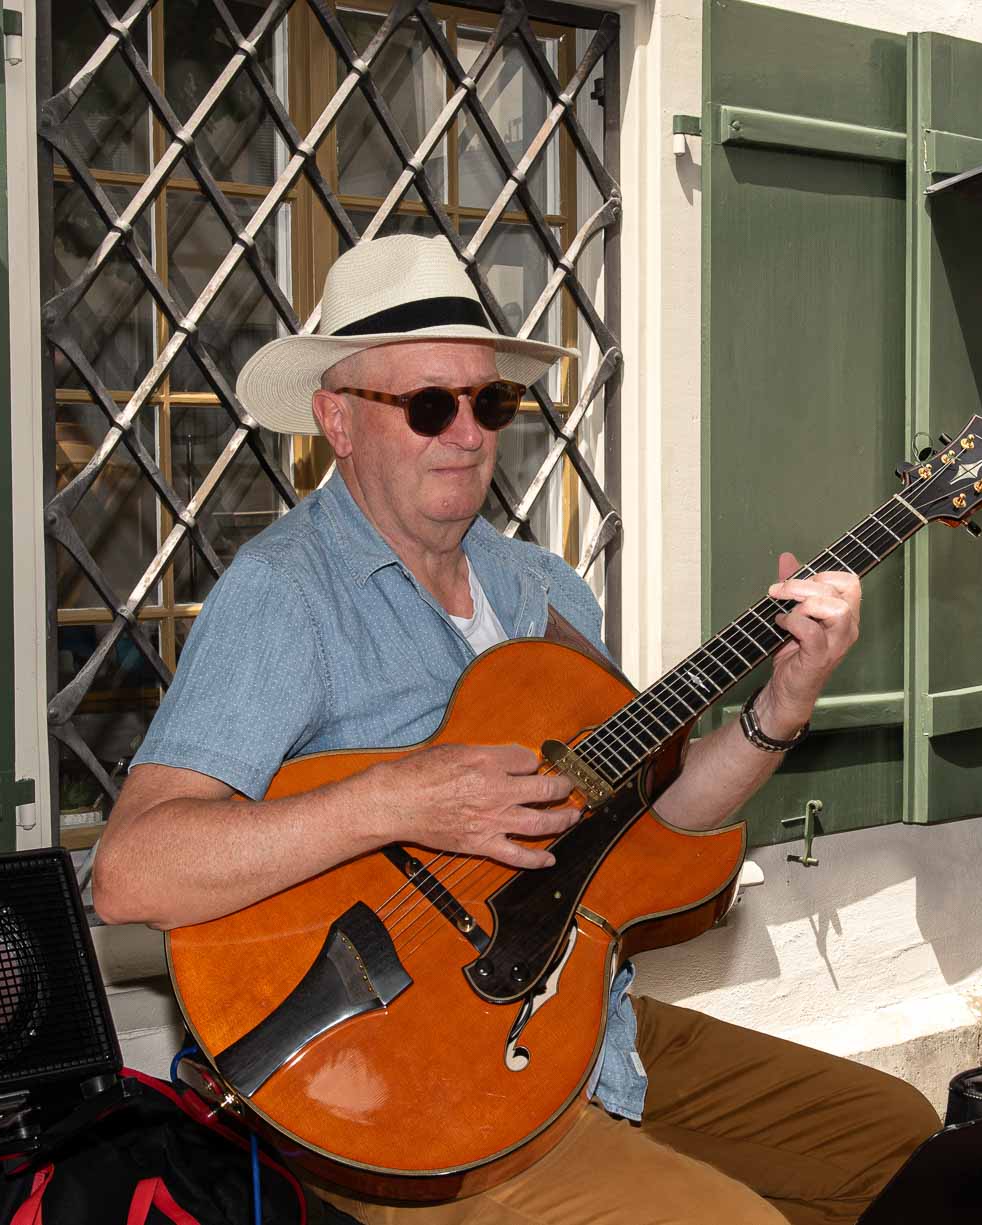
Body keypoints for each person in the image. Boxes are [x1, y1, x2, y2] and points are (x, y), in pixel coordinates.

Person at [90, 235, 937, 1224]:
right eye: (428, 405)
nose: (467, 433)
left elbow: (651, 824)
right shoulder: (285, 593)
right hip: (406, 1092)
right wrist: (393, 799)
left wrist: (782, 702)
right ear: (338, 420)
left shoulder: (540, 588)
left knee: (895, 1135)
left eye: (488, 403)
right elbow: (131, 871)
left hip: (583, 1025)